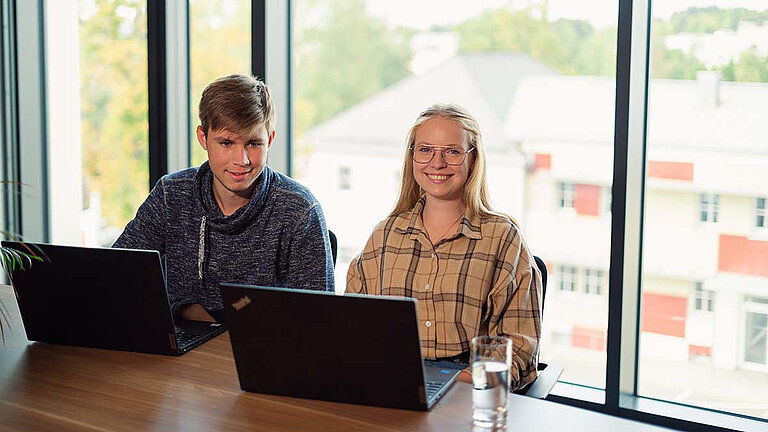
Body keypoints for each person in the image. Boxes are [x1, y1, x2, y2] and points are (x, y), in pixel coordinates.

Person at [346, 103, 541, 390]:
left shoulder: (502, 238)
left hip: (468, 386)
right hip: (391, 382)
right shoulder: (385, 235)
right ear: (412, 157)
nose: (437, 163)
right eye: (425, 150)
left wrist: (465, 381)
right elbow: (353, 326)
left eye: (452, 151)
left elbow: (517, 344)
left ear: (473, 160)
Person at [114, 74, 334, 322]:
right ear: (203, 138)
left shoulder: (299, 210)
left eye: (253, 143)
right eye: (226, 143)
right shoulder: (171, 194)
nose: (241, 160)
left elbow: (318, 320)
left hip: (265, 351)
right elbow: (119, 275)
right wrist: (184, 311)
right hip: (183, 348)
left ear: (270, 140)